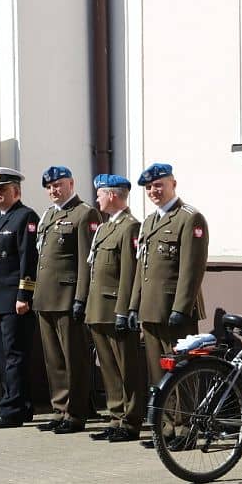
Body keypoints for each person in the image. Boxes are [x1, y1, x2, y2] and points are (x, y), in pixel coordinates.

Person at [32, 166, 101, 435]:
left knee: (75, 359)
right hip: (46, 298)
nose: (53, 190)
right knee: (54, 361)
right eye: (49, 187)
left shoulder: (84, 214)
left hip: (68, 297)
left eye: (58, 185)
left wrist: (81, 298)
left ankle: (76, 413)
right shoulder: (49, 215)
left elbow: (86, 262)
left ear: (71, 183)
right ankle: (60, 410)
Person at [128, 163, 209, 391]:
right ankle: (164, 414)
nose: (153, 191)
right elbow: (142, 267)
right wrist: (134, 306)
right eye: (148, 188)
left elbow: (192, 267)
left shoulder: (190, 218)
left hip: (174, 309)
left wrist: (181, 308)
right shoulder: (149, 222)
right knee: (158, 375)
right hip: (150, 309)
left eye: (158, 185)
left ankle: (183, 416)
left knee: (181, 374)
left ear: (173, 184)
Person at [85, 175, 146, 443]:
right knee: (109, 368)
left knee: (126, 368)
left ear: (112, 195)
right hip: (98, 308)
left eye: (100, 194)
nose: (97, 198)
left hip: (115, 309)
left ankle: (131, 421)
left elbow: (129, 273)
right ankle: (116, 417)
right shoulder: (105, 227)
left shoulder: (130, 227)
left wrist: (124, 310)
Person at [0, 167, 41, 429]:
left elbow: (28, 259)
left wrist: (24, 295)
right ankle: (21, 405)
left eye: (2, 189)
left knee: (14, 356)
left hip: (15, 300)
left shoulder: (25, 217)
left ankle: (11, 410)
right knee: (3, 356)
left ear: (16, 191)